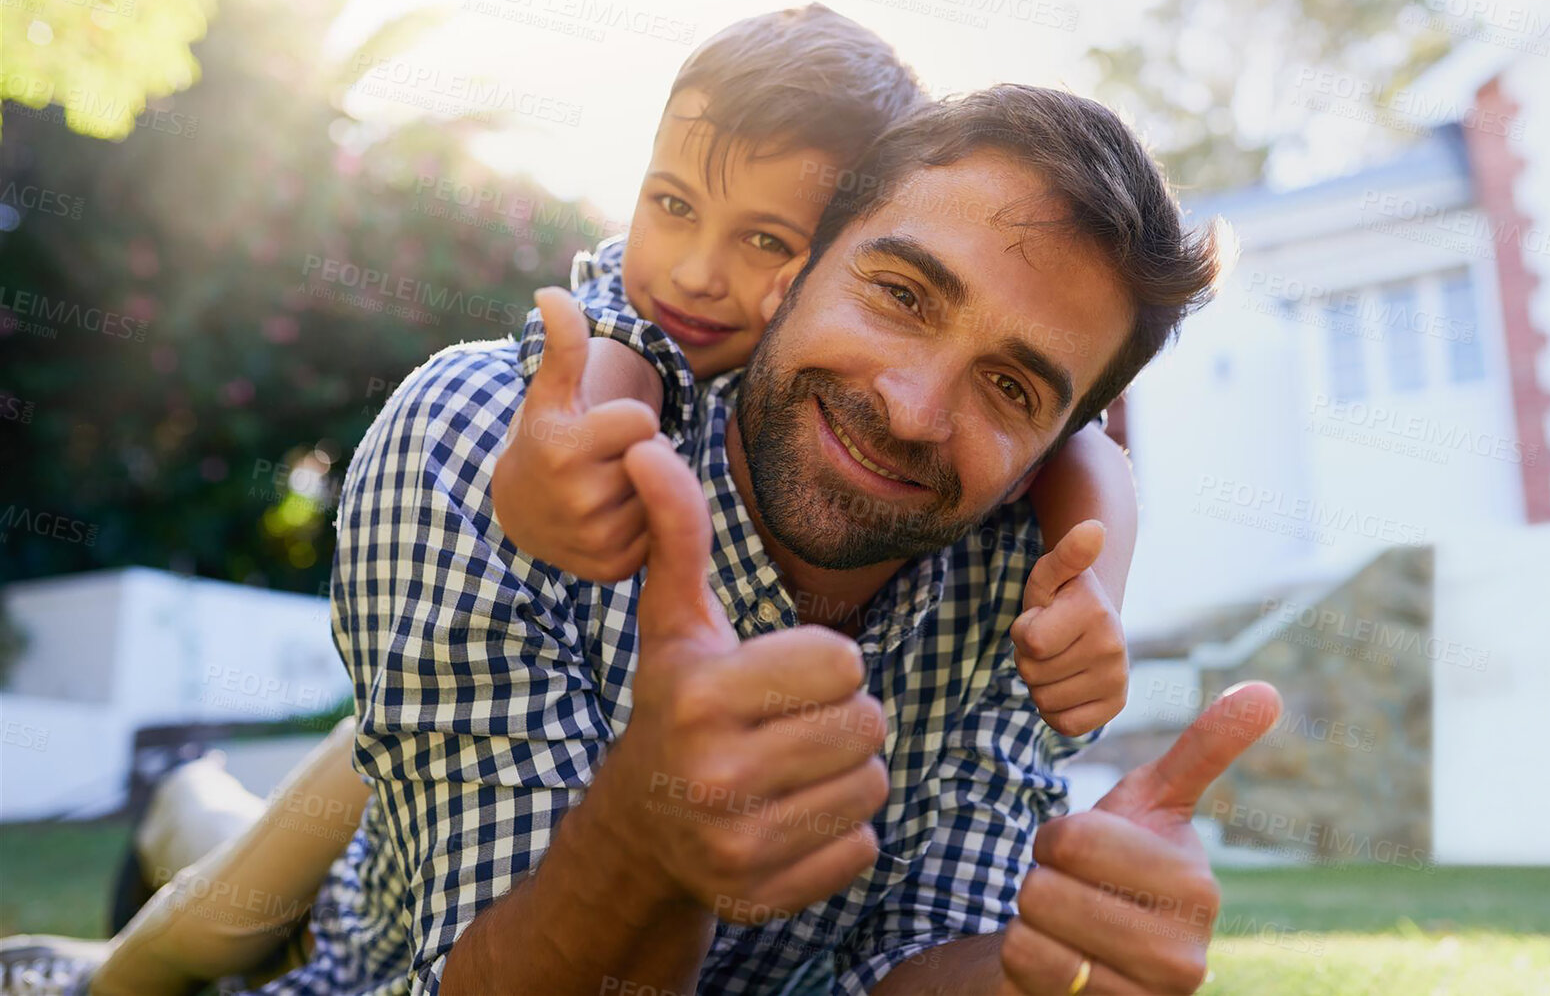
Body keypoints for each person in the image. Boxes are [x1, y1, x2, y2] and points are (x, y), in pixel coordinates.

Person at [271, 83, 1267, 995]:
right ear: (792, 272)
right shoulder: (494, 437)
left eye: (1009, 388)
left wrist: (1045, 976)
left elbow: (918, 958)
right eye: (901, 294)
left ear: (1055, 447)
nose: (915, 411)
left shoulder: (1032, 589)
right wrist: (644, 840)